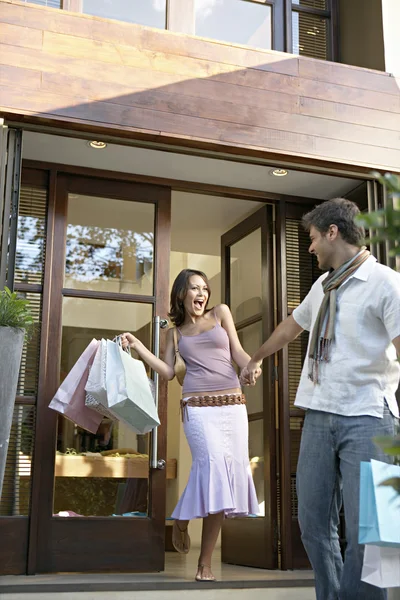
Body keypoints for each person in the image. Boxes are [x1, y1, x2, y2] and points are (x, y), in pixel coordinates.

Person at [241, 198, 400, 600]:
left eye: (312, 238)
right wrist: (255, 359)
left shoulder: (386, 283)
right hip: (319, 415)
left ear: (333, 232)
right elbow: (292, 327)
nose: (309, 248)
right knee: (311, 523)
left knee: (375, 529)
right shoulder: (324, 285)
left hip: (370, 417)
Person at [121, 268, 261, 582]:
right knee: (211, 469)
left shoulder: (221, 313)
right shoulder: (175, 333)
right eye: (194, 288)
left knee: (226, 479)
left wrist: (253, 364)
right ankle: (183, 518)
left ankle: (204, 563)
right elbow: (168, 373)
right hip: (197, 408)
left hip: (232, 405)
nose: (201, 294)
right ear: (182, 294)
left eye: (204, 288)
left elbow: (237, 351)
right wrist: (140, 348)